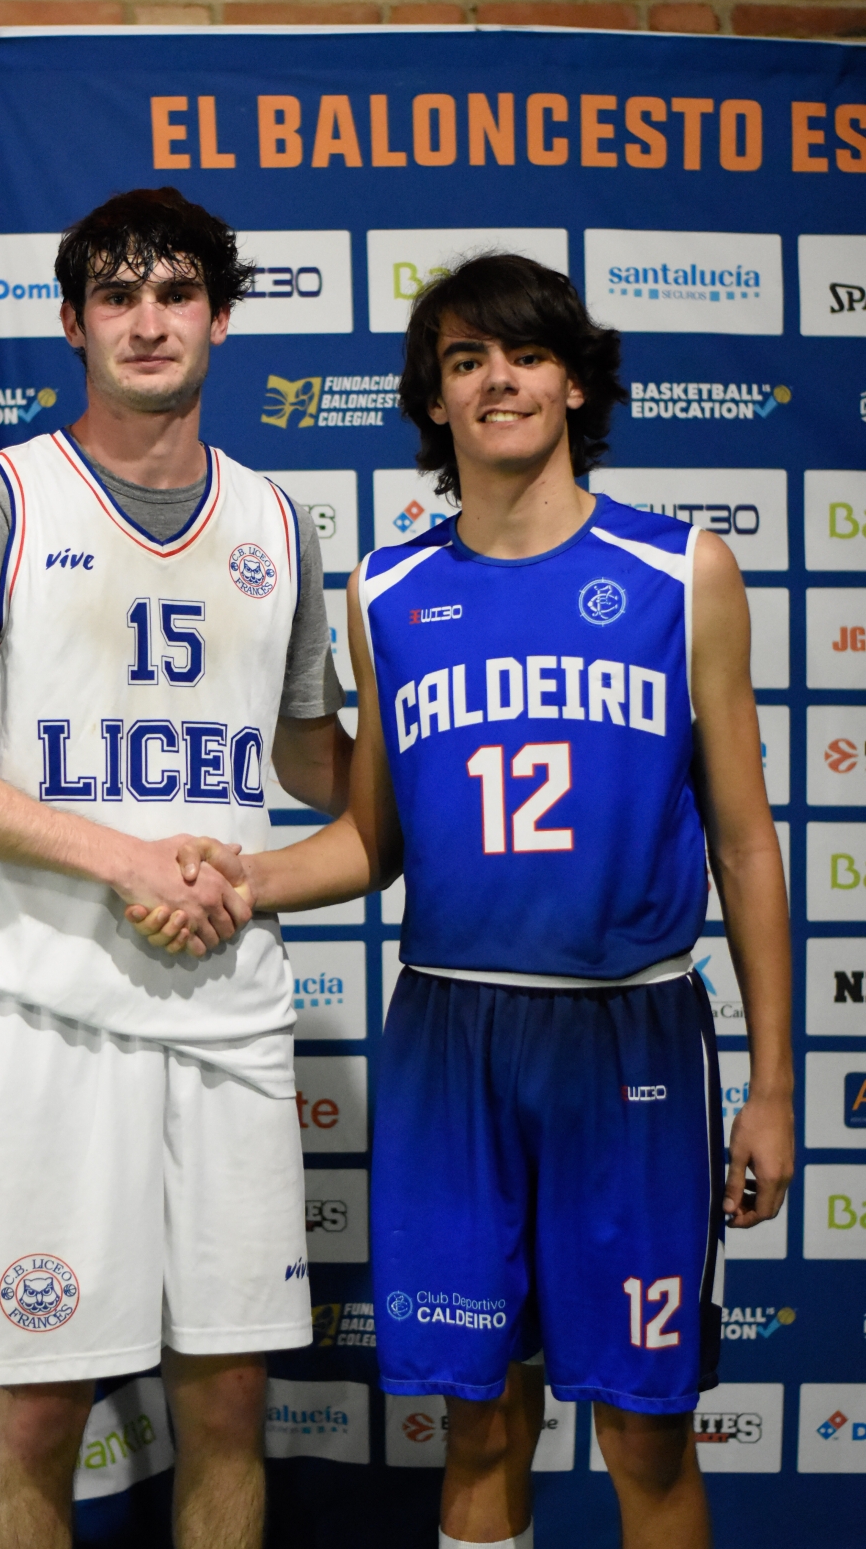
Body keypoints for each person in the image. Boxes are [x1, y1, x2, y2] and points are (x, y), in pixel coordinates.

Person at [146, 253, 795, 1548]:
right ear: (433, 401)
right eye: (462, 359)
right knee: (479, 1414)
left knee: (644, 1425)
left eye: (525, 353)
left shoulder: (684, 573)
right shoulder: (390, 592)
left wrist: (775, 1086)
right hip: (451, 1039)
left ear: (574, 380)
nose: (497, 378)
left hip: (631, 1037)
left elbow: (744, 840)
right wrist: (250, 876)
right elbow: (373, 838)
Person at [0, 185, 352, 1549]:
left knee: (232, 1402)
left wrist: (476, 750)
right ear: (73, 321)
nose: (148, 319)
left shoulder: (275, 521)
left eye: (176, 291)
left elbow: (312, 758)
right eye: (118, 296)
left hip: (231, 1011)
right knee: (39, 1418)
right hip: (54, 1014)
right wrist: (127, 855)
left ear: (222, 317)